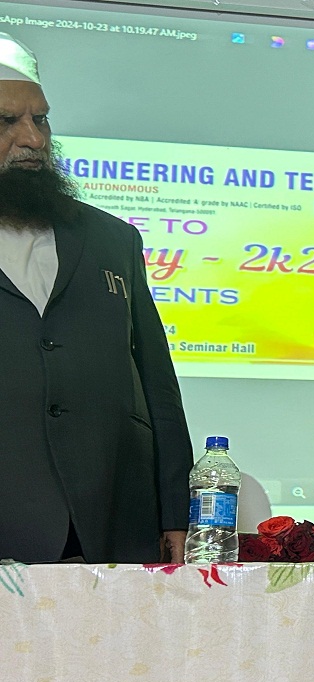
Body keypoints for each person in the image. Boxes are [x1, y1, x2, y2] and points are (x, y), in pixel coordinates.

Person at [0, 34, 192, 564]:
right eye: (7, 122)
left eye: (41, 120)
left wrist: (176, 512)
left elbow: (157, 385)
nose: (32, 139)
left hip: (110, 521)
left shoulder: (112, 240)